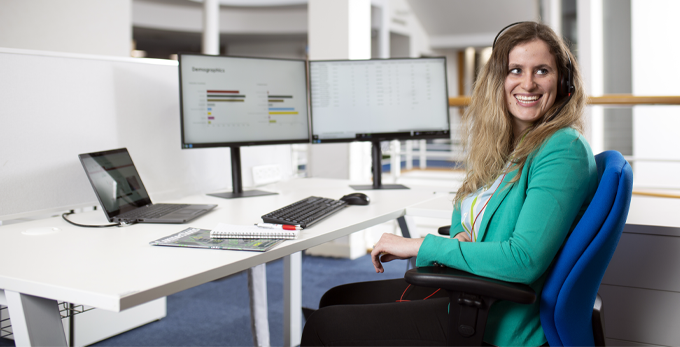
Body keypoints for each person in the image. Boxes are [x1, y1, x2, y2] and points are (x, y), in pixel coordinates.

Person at [301, 21, 598, 347]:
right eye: (515, 70)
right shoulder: (513, 144)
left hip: (495, 317)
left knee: (323, 325)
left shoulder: (561, 148)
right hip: (471, 287)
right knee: (336, 297)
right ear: (498, 81)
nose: (527, 83)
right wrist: (460, 237)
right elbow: (467, 213)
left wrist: (418, 245)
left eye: (542, 70)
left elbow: (522, 260)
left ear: (563, 81)